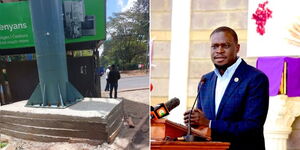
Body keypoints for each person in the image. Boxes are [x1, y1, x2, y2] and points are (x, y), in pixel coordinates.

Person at [183, 26, 269, 150]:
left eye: (225, 46)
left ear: (237, 48)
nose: (219, 50)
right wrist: (194, 122)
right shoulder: (205, 80)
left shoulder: (255, 78)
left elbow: (252, 126)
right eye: (215, 46)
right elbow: (203, 124)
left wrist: (209, 123)